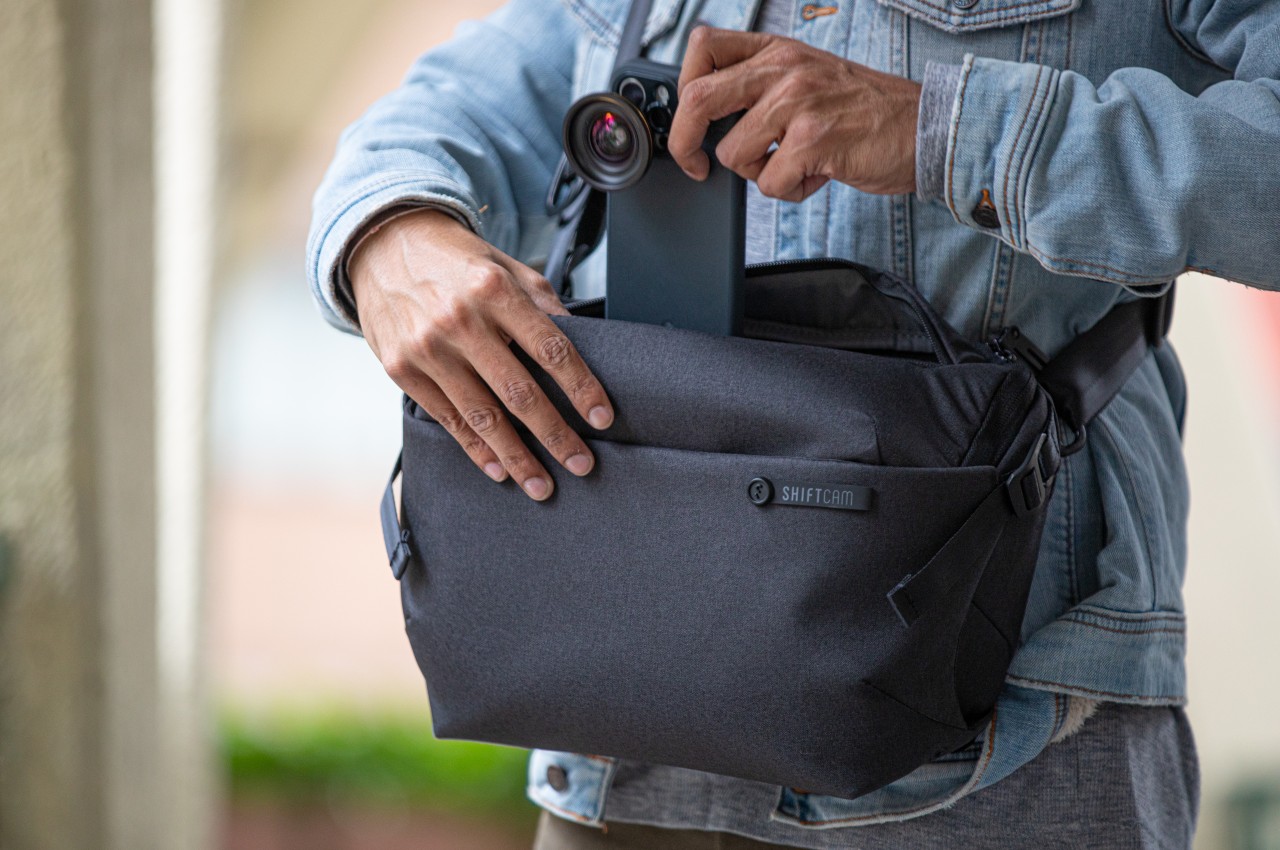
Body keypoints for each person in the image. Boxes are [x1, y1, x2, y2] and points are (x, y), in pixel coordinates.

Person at [307, 1, 1280, 846]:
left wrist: (941, 128)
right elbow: (483, 89)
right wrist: (387, 228)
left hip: (1002, 746)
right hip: (622, 755)